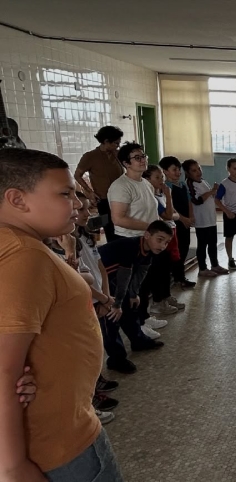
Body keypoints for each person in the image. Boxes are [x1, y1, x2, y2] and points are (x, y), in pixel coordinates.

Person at [0, 148, 125, 481]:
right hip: (57, 448)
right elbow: (4, 369)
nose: (79, 202)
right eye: (65, 194)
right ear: (17, 199)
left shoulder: (21, 247)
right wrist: (13, 467)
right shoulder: (23, 256)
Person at [108, 142, 170, 335]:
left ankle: (144, 316)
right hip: (130, 241)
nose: (143, 160)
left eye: (143, 156)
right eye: (137, 158)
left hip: (147, 240)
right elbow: (118, 218)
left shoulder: (145, 183)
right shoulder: (120, 186)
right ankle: (138, 326)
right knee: (132, 287)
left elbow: (151, 212)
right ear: (126, 163)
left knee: (145, 283)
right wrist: (151, 228)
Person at [72, 192, 123, 423]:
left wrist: (106, 295)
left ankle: (97, 379)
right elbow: (77, 278)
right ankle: (90, 396)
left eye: (86, 208)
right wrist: (102, 298)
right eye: (81, 209)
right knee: (87, 349)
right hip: (88, 300)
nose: (86, 213)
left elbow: (100, 267)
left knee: (97, 343)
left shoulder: (85, 235)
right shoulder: (65, 242)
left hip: (100, 296)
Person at [99, 221, 172, 372]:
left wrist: (134, 294)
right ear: (147, 235)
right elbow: (123, 277)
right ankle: (116, 359)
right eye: (159, 240)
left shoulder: (149, 251)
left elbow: (140, 274)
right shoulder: (131, 246)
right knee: (111, 318)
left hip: (116, 280)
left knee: (131, 309)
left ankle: (138, 341)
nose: (163, 246)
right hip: (102, 280)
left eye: (166, 242)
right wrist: (116, 305)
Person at [143, 165, 184, 313]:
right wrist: (169, 197)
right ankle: (158, 302)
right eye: (157, 177)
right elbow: (169, 215)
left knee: (166, 269)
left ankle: (165, 296)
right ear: (147, 179)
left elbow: (173, 215)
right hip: (155, 239)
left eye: (162, 177)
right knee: (156, 271)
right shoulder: (151, 197)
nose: (162, 180)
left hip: (166, 236)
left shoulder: (160, 195)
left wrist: (168, 200)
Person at [74, 125, 125, 241]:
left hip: (122, 198)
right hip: (104, 199)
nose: (118, 146)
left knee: (123, 228)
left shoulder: (117, 154)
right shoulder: (90, 156)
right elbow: (77, 175)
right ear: (106, 141)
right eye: (116, 143)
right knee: (111, 230)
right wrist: (89, 191)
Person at [184, 159, 229, 278]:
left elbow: (209, 196)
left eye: (199, 168)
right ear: (188, 173)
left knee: (213, 244)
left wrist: (213, 190)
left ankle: (215, 265)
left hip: (211, 219)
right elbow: (197, 200)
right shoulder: (190, 184)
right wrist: (211, 191)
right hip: (201, 221)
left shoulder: (202, 181)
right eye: (194, 170)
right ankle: (202, 268)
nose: (198, 172)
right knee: (202, 245)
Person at [159, 156, 196, 289]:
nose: (178, 172)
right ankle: (178, 277)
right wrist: (183, 218)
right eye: (174, 169)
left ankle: (179, 275)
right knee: (175, 250)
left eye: (179, 169)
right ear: (165, 171)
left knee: (184, 247)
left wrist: (190, 217)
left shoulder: (182, 185)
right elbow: (170, 207)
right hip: (175, 222)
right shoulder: (166, 187)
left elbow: (189, 201)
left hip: (185, 221)